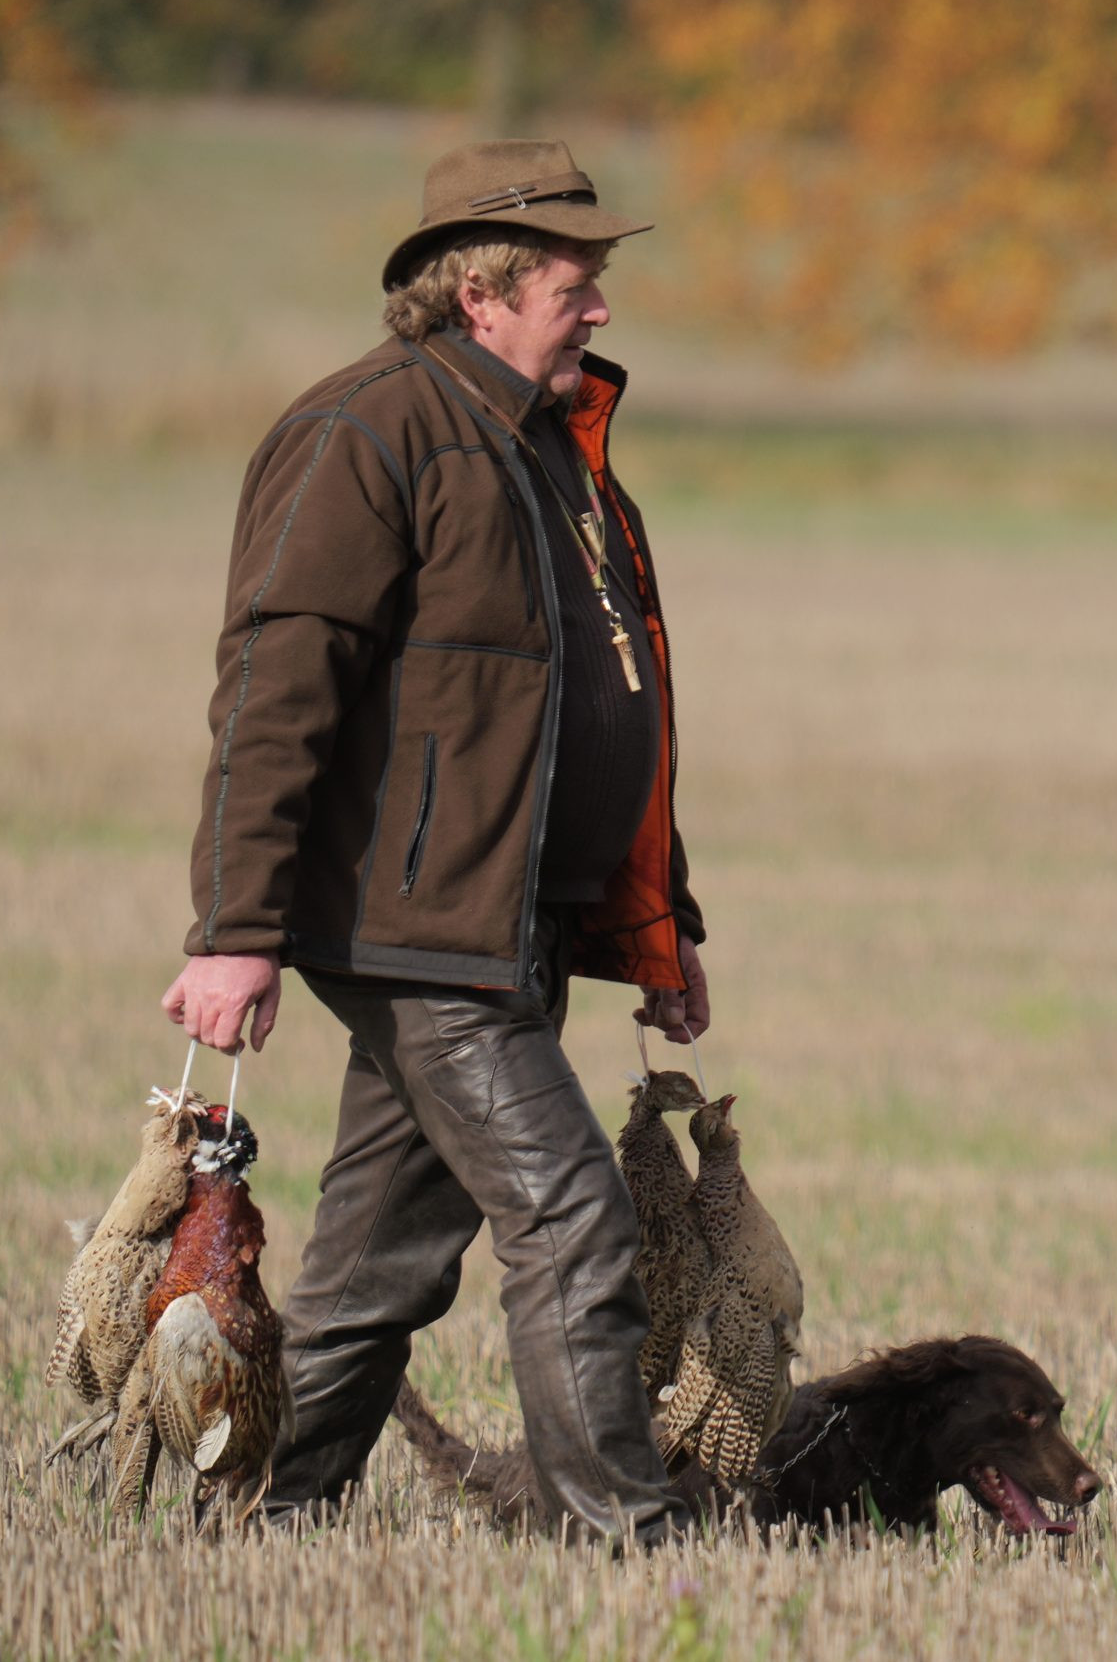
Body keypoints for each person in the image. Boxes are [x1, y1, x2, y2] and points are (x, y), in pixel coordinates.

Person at [160, 140, 707, 1545]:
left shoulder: (549, 451)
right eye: (578, 284)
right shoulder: (368, 433)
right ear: (483, 293)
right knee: (573, 1219)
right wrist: (235, 927)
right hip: (416, 930)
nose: (600, 309)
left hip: (503, 921)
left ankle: (263, 1520)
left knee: (378, 1264)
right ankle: (622, 1544)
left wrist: (655, 929)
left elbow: (609, 694)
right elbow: (275, 690)